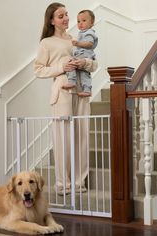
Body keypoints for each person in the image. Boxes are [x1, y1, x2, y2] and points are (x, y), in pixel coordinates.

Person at [34, 2, 97, 195]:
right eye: (61, 16)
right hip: (62, 90)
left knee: (82, 136)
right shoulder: (47, 42)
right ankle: (63, 184)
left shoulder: (78, 38)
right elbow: (38, 70)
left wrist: (84, 62)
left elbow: (94, 64)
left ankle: (79, 183)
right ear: (52, 21)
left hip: (82, 90)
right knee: (63, 138)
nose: (66, 19)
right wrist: (62, 68)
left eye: (66, 14)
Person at [62, 10, 98, 97]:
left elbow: (90, 44)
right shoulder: (81, 33)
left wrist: (78, 43)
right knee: (83, 74)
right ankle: (86, 90)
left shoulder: (89, 33)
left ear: (91, 23)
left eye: (84, 21)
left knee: (73, 64)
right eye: (78, 21)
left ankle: (72, 81)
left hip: (85, 56)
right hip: (81, 56)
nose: (80, 23)